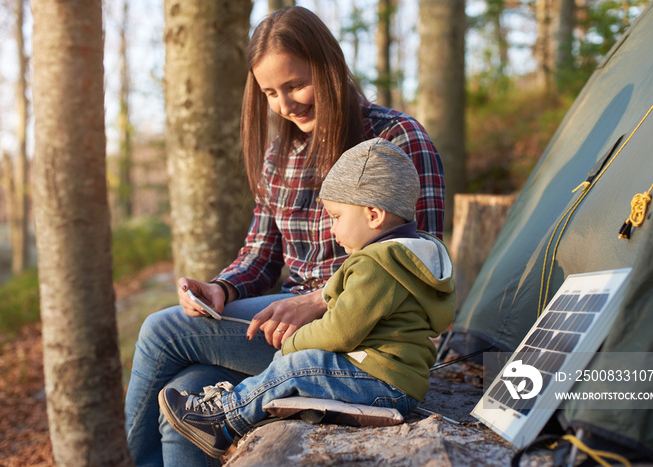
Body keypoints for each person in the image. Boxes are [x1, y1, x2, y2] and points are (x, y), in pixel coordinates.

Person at [125, 6, 445, 466]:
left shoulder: (397, 138)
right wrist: (220, 288)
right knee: (186, 389)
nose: (284, 104)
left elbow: (418, 257)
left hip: (363, 334)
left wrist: (319, 299)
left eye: (295, 85)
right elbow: (261, 252)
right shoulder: (281, 153)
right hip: (286, 322)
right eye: (271, 92)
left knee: (160, 331)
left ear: (330, 68)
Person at [157, 137, 456, 458]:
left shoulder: (377, 264)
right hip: (392, 381)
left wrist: (294, 342)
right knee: (301, 367)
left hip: (379, 380)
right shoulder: (417, 254)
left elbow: (340, 330)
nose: (331, 229)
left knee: (301, 364)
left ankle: (226, 420)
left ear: (373, 215)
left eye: (337, 217)